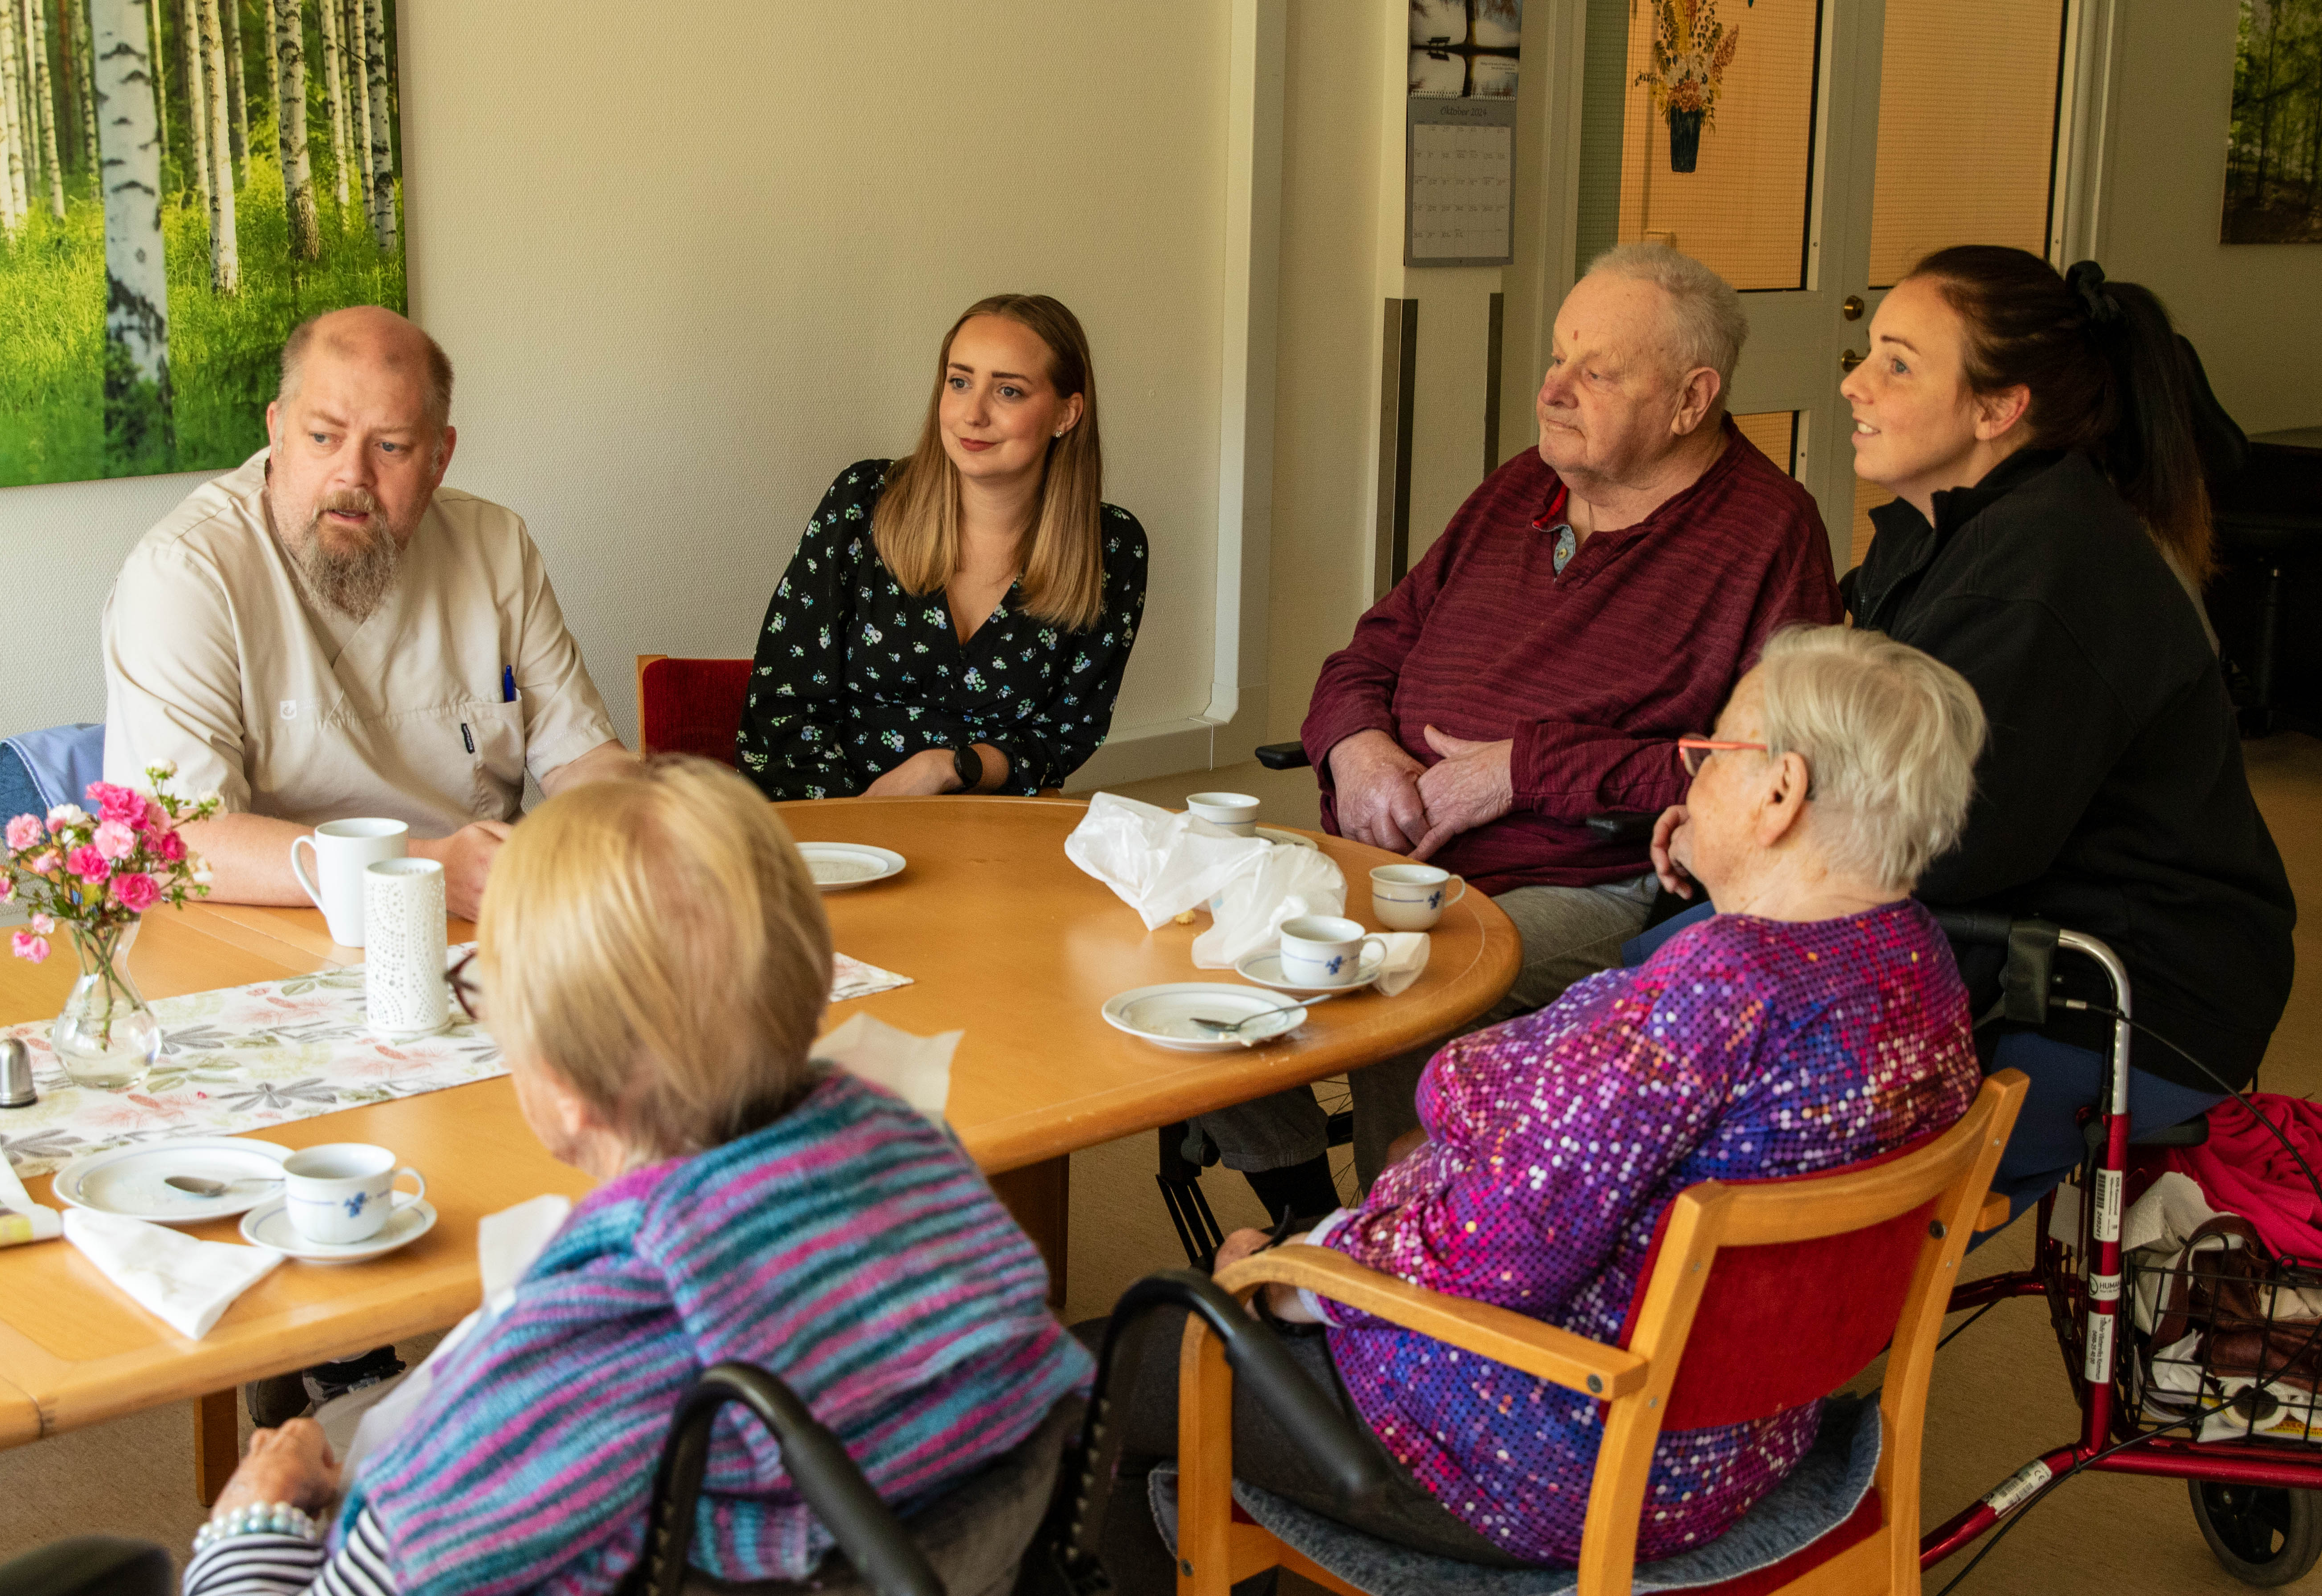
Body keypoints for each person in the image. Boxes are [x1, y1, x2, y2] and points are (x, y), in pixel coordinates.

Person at [1096, 625, 1987, 1585]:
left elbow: (1498, 1254)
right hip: (1743, 1442)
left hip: (1538, 1451)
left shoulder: (1714, 994)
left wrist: (1284, 1275)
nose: (1684, 783)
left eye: (1708, 755)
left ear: (1778, 794)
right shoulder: (1913, 962)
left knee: (1112, 1362)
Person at [181, 759, 1093, 1595]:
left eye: (485, 994)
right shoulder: (911, 1153)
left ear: (571, 1093)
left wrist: (250, 1517)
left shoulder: (599, 1330)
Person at [1203, 243, 1844, 1219]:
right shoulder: (1518, 490)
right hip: (1391, 849)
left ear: (1690, 397)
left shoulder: (1767, 533)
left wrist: (1521, 771)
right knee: (1195, 944)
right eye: (1555, 359)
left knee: (1409, 993)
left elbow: (1761, 776)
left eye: (1597, 372)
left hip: (1579, 878)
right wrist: (1355, 748)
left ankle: (1399, 1282)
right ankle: (1302, 1209)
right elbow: (1366, 655)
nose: (1553, 389)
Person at [1823, 246, 2296, 1218]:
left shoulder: (2036, 573)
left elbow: (1939, 844)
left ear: (1998, 410)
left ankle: (1797, 1355)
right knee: (1652, 996)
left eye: (1897, 363)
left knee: (1728, 1115)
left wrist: (1746, 834)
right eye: (1868, 352)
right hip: (1999, 931)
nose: (1852, 384)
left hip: (2120, 999)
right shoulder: (1951, 528)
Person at [101, 307, 637, 922]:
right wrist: (425, 872)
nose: (352, 474)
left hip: (486, 923)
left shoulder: (495, 546)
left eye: (390, 446)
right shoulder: (186, 573)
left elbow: (581, 756)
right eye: (323, 437)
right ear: (277, 430)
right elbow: (180, 840)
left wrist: (646, 821)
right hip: (278, 926)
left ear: (440, 457)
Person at [738, 293, 1147, 799]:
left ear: (1067, 413)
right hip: (828, 831)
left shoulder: (1111, 548)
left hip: (987, 838)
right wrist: (858, 829)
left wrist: (952, 767)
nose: (972, 414)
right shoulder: (864, 503)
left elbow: (1063, 736)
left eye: (1009, 392)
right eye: (959, 382)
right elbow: (783, 706)